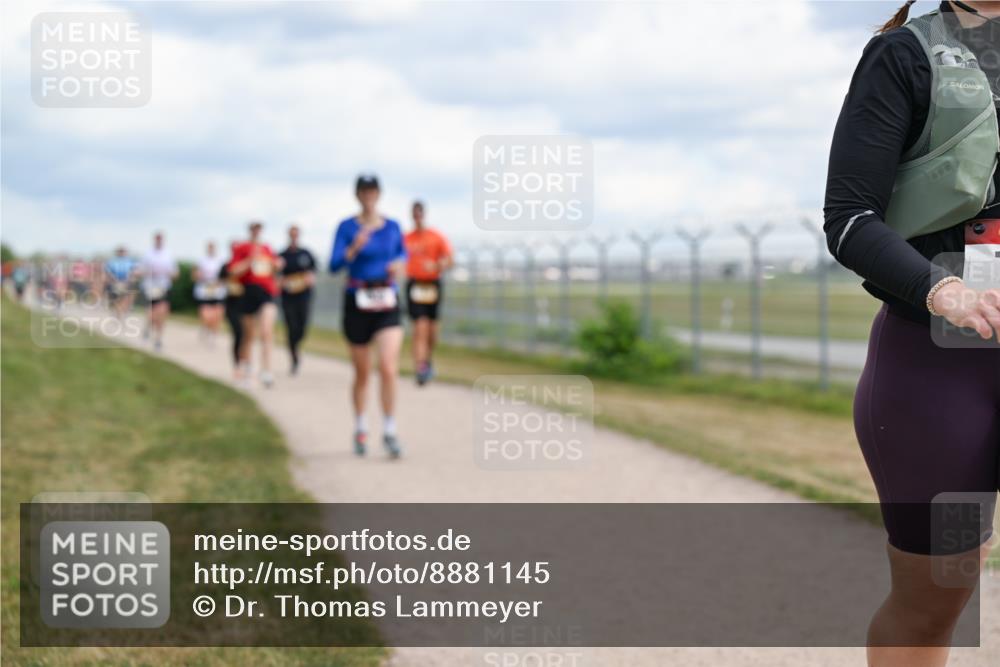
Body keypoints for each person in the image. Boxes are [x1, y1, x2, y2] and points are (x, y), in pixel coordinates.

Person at [825, 3, 1000, 665]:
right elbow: (850, 219)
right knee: (934, 600)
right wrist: (942, 289)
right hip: (939, 365)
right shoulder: (903, 55)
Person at [329, 174, 407, 458]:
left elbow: (402, 255)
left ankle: (389, 430)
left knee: (387, 366)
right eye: (364, 191)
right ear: (357, 195)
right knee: (362, 373)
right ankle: (361, 426)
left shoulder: (393, 227)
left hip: (386, 300)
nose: (369, 195)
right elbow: (334, 264)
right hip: (357, 301)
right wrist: (354, 248)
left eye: (373, 190)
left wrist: (398, 266)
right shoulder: (346, 227)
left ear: (379, 194)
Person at [403, 200, 453, 385]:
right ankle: (420, 368)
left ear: (424, 214)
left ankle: (427, 359)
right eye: (414, 214)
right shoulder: (406, 239)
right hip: (415, 285)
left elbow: (449, 260)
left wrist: (437, 265)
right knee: (420, 327)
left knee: (432, 331)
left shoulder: (436, 237)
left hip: (432, 285)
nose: (417, 217)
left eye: (420, 213)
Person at [230, 222, 282, 388]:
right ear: (250, 230)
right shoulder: (242, 248)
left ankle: (266, 370)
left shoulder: (267, 248)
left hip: (267, 293)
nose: (256, 231)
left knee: (266, 331)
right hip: (248, 292)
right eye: (254, 228)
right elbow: (233, 271)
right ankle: (247, 369)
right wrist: (249, 260)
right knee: (248, 335)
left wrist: (276, 266)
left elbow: (274, 269)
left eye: (259, 228)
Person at [279, 224, 317, 375]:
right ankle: (294, 355)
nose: (294, 236)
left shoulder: (306, 253)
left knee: (302, 327)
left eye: (296, 234)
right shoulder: (282, 255)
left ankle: (296, 344)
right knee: (291, 326)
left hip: (304, 296)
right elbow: (277, 275)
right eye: (291, 234)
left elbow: (313, 271)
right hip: (288, 297)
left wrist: (310, 278)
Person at [139, 232, 178, 351]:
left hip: (163, 288)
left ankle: (158, 339)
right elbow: (140, 271)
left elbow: (175, 273)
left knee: (162, 313)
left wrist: (169, 274)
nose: (159, 241)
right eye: (157, 239)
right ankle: (148, 326)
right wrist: (150, 272)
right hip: (150, 287)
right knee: (152, 315)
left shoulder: (168, 255)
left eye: (160, 239)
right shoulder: (147, 254)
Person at [220, 242, 247, 381]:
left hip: (245, 305)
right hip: (231, 305)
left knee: (246, 336)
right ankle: (237, 364)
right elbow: (220, 282)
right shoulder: (226, 266)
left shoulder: (247, 267)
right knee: (238, 333)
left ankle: (244, 364)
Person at [193, 241, 227, 345]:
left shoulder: (221, 261)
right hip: (204, 291)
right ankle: (206, 327)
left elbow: (225, 277)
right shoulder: (201, 261)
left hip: (217, 292)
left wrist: (220, 282)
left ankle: (213, 336)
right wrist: (199, 276)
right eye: (210, 247)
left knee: (217, 315)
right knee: (206, 315)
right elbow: (195, 275)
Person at [104, 246, 137, 318]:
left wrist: (129, 279)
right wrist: (113, 279)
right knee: (116, 297)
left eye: (123, 251)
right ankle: (117, 311)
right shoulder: (112, 261)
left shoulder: (129, 261)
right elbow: (108, 272)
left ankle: (124, 309)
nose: (121, 253)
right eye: (120, 251)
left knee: (127, 295)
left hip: (126, 282)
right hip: (115, 282)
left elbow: (133, 271)